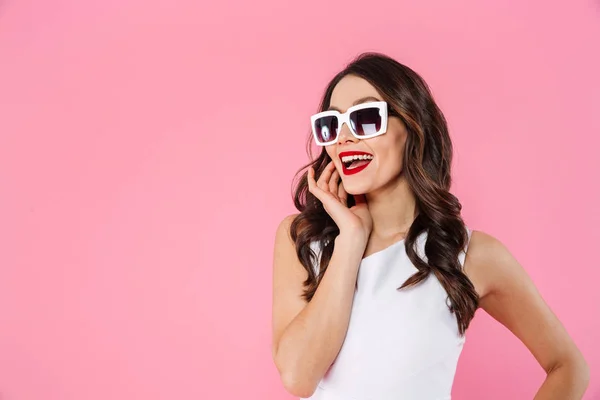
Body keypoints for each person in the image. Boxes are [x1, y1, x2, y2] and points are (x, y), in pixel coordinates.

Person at [271, 52, 589, 399]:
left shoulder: (470, 255)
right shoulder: (303, 240)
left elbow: (568, 365)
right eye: (331, 124)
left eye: (364, 118)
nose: (343, 138)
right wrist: (351, 239)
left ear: (412, 125)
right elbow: (298, 376)